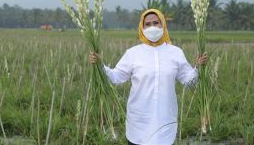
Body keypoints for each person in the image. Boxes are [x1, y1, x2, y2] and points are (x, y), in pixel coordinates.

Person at [89, 9, 208, 145]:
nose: (152, 27)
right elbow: (116, 77)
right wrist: (100, 65)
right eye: (147, 24)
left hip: (165, 120)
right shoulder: (133, 53)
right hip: (139, 122)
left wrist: (198, 67)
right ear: (142, 27)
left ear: (163, 24)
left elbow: (189, 81)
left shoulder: (175, 53)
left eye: (156, 23)